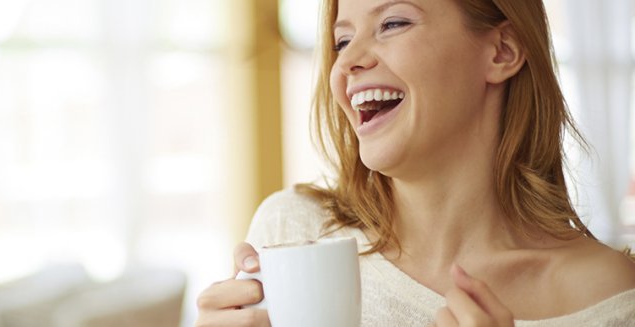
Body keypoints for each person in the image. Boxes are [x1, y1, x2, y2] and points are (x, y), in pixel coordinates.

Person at [195, 0, 635, 325]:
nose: (347, 62)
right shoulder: (292, 231)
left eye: (393, 23)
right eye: (342, 40)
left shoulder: (609, 297)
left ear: (501, 51)